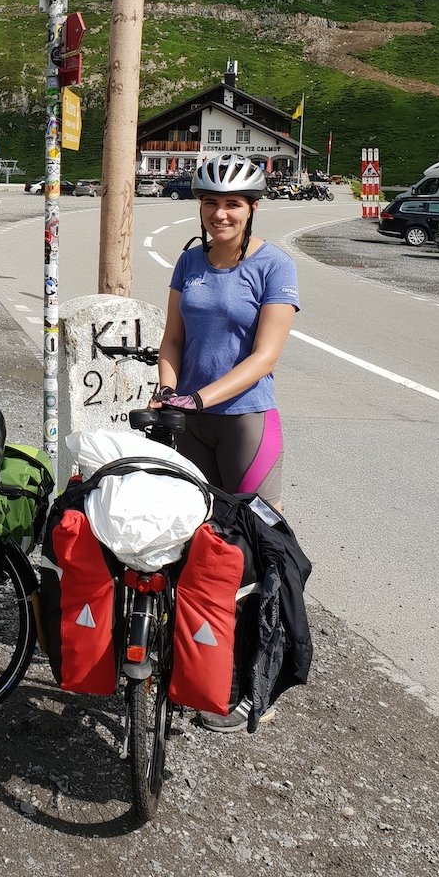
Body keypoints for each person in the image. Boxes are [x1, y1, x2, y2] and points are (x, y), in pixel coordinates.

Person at [152, 152, 300, 730]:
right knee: (194, 544)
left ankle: (249, 680)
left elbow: (265, 356)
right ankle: (196, 666)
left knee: (254, 553)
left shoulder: (275, 267)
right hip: (189, 421)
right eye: (211, 202)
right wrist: (169, 392)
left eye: (232, 204)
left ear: (252, 208)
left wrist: (201, 398)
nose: (220, 213)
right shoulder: (188, 263)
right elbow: (171, 340)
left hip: (246, 424)